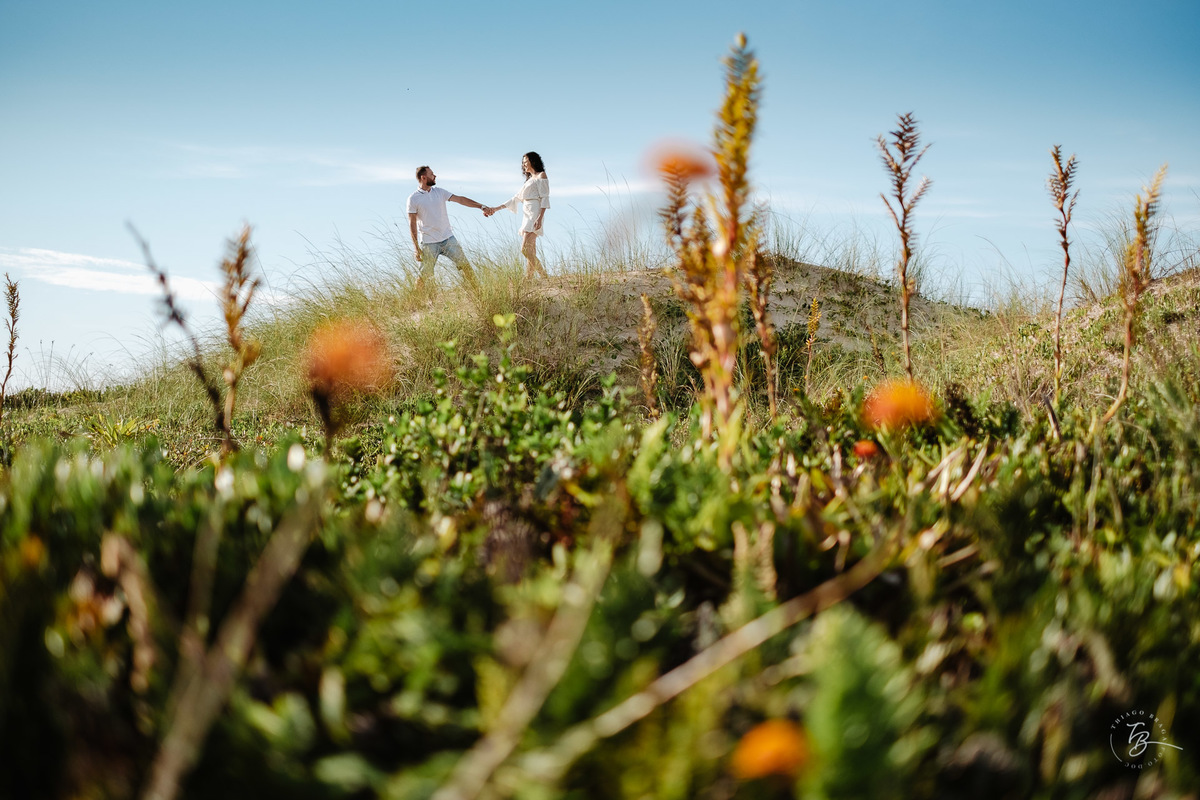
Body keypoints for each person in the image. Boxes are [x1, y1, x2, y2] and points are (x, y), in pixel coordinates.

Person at [407, 166, 486, 295]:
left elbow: (460, 199)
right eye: (432, 174)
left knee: (465, 267)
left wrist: (481, 206)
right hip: (429, 243)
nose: (435, 176)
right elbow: (412, 225)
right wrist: (416, 248)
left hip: (448, 239)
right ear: (423, 177)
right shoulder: (413, 199)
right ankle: (414, 302)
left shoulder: (439, 192)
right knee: (424, 275)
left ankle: (480, 294)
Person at [483, 152, 550, 279]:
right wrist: (495, 209)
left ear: (533, 161)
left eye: (526, 161)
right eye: (523, 162)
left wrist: (539, 218)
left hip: (535, 212)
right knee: (530, 249)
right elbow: (516, 198)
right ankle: (528, 278)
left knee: (524, 249)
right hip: (527, 212)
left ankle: (544, 275)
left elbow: (545, 199)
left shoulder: (541, 175)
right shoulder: (529, 180)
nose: (524, 164)